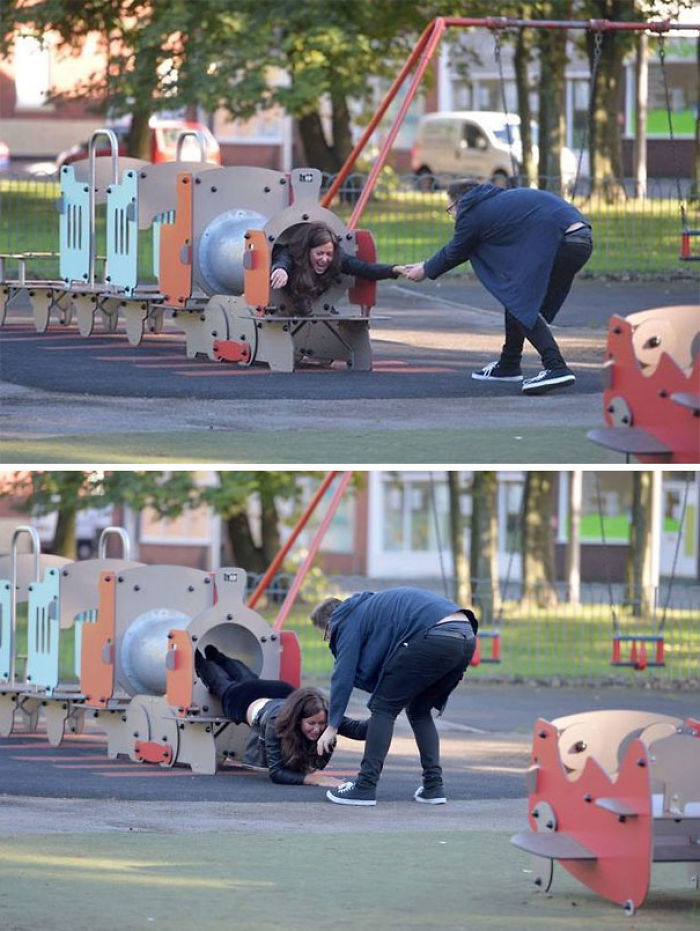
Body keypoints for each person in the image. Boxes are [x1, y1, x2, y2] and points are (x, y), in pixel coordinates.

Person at [402, 179, 593, 395]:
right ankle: (509, 364)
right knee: (515, 295)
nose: (453, 216)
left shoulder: (472, 211)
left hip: (561, 240)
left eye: (450, 210)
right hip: (582, 238)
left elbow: (457, 250)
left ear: (458, 203)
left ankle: (556, 366)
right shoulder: (495, 202)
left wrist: (424, 270)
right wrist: (427, 265)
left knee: (519, 299)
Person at [310, 588, 478, 806]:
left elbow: (343, 673)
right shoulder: (369, 610)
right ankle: (433, 787)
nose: (330, 639)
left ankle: (364, 787)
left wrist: (332, 725)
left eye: (326, 634)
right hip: (465, 634)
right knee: (419, 710)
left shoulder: (345, 619)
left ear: (330, 624)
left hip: (434, 633)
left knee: (383, 708)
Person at [195, 645, 367, 786]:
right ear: (298, 720)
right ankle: (199, 658)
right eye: (311, 723)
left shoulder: (321, 715)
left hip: (281, 691)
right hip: (244, 698)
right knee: (223, 684)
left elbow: (358, 730)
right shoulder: (275, 723)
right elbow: (276, 773)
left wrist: (385, 714)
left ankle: (215, 653)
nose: (317, 729)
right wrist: (314, 779)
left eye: (321, 724)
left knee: (247, 677)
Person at [270, 221, 403, 316]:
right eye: (319, 253)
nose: (324, 259)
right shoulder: (292, 253)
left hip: (314, 303)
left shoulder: (338, 259)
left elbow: (365, 269)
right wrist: (281, 269)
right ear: (308, 251)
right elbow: (282, 258)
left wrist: (395, 270)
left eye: (329, 254)